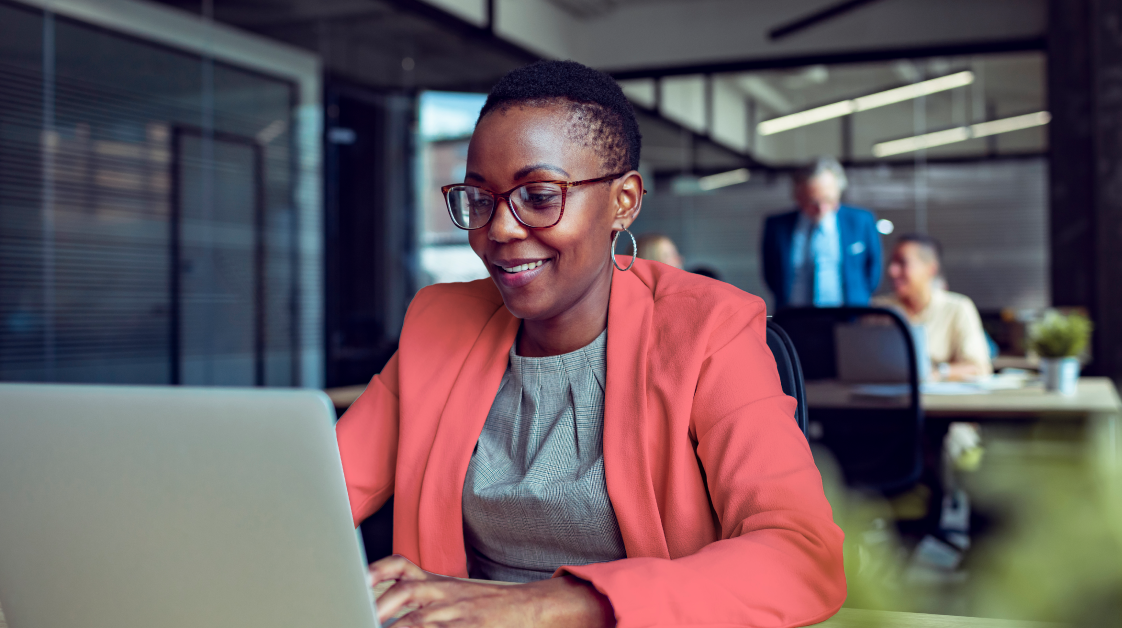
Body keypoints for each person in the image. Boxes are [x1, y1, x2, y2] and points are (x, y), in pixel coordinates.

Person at [335, 60, 845, 628]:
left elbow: (803, 557)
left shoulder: (707, 330)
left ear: (624, 200)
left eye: (539, 194)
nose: (499, 229)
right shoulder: (440, 323)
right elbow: (314, 496)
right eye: (480, 199)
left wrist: (540, 606)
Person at [761, 157, 882, 310]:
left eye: (828, 200)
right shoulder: (777, 226)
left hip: (849, 318)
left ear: (838, 193)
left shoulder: (861, 221)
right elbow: (771, 275)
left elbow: (872, 272)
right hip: (794, 318)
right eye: (813, 202)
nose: (821, 208)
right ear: (798, 196)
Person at [872, 234, 992, 381]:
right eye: (892, 263)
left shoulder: (957, 308)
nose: (892, 271)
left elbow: (979, 367)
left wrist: (937, 372)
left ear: (931, 269)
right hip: (885, 400)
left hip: (940, 401)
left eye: (902, 263)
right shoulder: (879, 309)